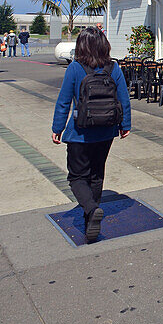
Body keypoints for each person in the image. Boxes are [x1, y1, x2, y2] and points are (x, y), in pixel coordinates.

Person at [51, 28, 131, 243]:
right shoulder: (114, 68)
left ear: (81, 46)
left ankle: (91, 209)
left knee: (77, 177)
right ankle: (90, 220)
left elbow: (64, 102)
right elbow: (123, 100)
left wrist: (58, 128)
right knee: (96, 175)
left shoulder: (75, 68)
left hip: (80, 132)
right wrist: (125, 125)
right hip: (106, 132)